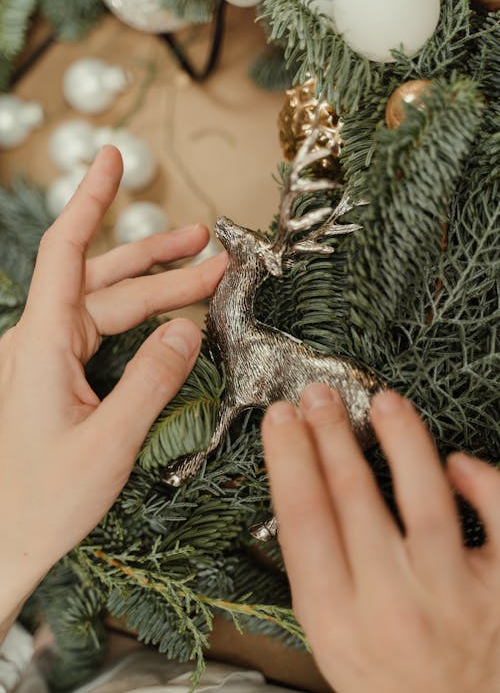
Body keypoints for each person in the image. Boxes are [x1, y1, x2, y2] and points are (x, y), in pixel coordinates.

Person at [0, 147, 499, 693]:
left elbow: (238, 394)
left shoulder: (257, 341)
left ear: (255, 264)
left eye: (244, 247)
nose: (233, 238)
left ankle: (273, 512)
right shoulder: (242, 327)